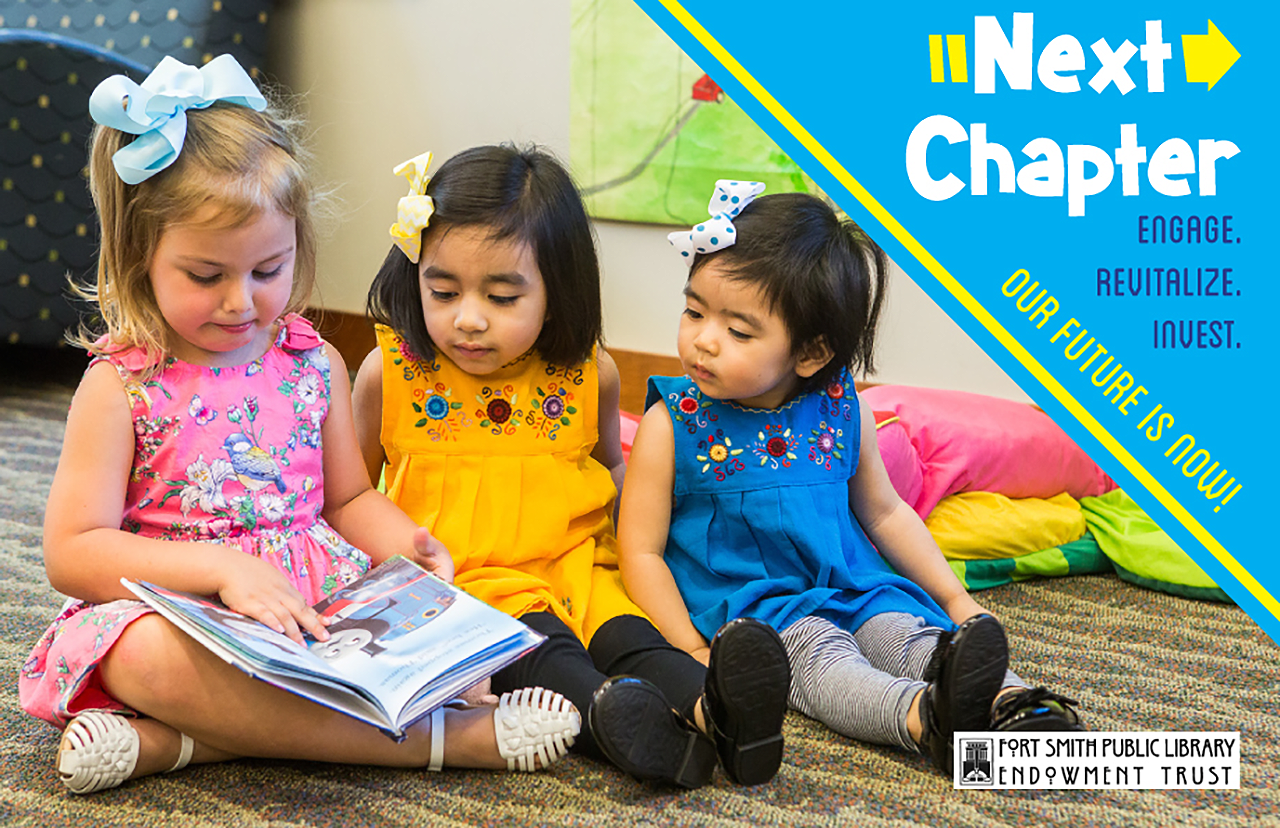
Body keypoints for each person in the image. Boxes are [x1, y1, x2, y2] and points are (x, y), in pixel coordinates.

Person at [18, 56, 579, 796]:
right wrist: (221, 569)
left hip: (312, 608)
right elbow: (72, 552)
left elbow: (347, 501)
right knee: (142, 659)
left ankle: (185, 742)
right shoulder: (120, 384)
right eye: (205, 275)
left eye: (267, 268)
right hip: (176, 606)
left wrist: (404, 544)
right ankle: (435, 742)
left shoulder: (313, 363)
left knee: (456, 651)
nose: (240, 302)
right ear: (139, 257)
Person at [353, 147, 791, 788]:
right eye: (442, 291)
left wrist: (655, 550)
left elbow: (613, 471)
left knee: (633, 640)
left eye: (503, 296)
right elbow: (351, 494)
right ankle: (614, 723)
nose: (468, 319)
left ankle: (718, 710)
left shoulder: (590, 372)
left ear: (557, 295)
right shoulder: (389, 374)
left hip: (581, 565)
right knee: (550, 659)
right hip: (468, 585)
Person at [617, 182, 1083, 776]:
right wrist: (689, 649)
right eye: (694, 311)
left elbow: (885, 512)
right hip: (760, 606)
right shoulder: (671, 423)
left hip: (853, 583)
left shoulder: (843, 406)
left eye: (738, 331)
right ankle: (924, 718)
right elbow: (640, 550)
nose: (703, 339)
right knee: (826, 661)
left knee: (905, 632)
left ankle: (1010, 704)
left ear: (810, 354)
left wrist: (955, 600)